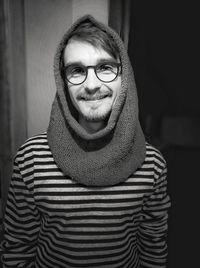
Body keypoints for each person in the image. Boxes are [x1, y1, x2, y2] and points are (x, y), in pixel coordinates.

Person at [1, 15, 170, 268]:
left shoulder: (151, 163)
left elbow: (153, 247)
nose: (92, 85)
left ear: (124, 77)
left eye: (105, 67)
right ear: (63, 81)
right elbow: (17, 246)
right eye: (77, 70)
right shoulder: (31, 158)